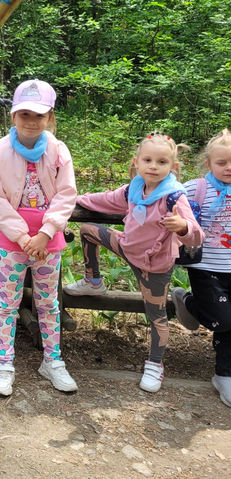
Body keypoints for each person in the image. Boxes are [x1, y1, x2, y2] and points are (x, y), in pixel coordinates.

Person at [67, 133, 203, 393]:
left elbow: (197, 235)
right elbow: (106, 199)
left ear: (173, 166)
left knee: (156, 315)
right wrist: (74, 199)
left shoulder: (174, 197)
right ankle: (93, 281)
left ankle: (155, 363)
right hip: (127, 247)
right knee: (87, 230)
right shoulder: (134, 188)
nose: (153, 166)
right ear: (136, 162)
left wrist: (183, 226)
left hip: (154, 264)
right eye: (148, 160)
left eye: (161, 162)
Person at [0, 79, 78, 396]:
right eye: (24, 114)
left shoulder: (58, 150)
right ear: (13, 116)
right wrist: (23, 237)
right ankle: (5, 363)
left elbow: (66, 194)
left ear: (49, 117)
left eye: (39, 115)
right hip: (13, 241)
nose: (31, 121)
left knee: (48, 303)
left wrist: (46, 233)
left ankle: (52, 360)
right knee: (7, 304)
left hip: (48, 242)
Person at [170, 131, 231, 405]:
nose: (228, 168)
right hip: (206, 266)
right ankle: (187, 300)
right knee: (223, 319)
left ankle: (224, 374)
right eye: (222, 163)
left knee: (230, 322)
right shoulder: (197, 188)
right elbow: (167, 196)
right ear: (208, 164)